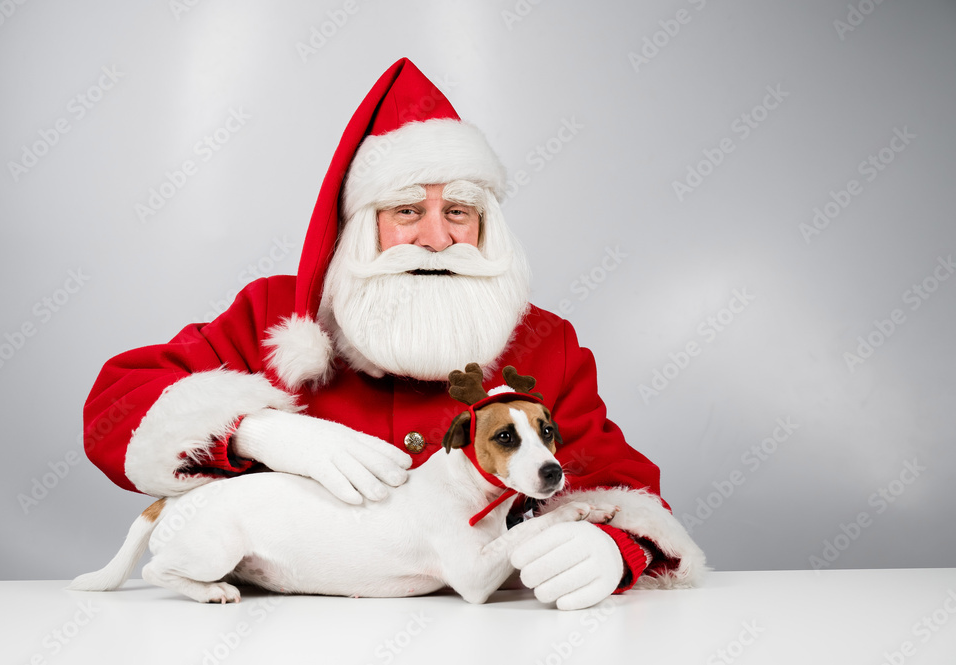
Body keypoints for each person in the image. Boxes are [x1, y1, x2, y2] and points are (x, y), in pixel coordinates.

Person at [83, 58, 706, 610]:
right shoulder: (274, 311)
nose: (437, 238)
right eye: (408, 210)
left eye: (458, 211)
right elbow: (117, 406)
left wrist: (612, 548)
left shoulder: (546, 342)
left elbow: (623, 486)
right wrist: (253, 429)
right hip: (276, 634)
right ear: (362, 226)